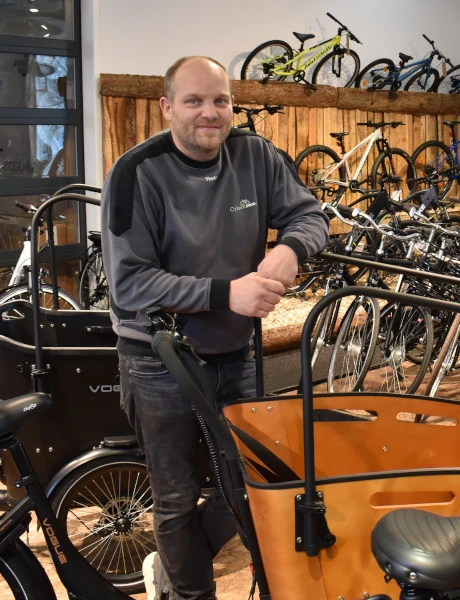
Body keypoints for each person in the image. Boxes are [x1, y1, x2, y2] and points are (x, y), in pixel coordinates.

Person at [100, 55, 329, 600]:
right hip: (158, 362)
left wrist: (290, 249)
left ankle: (198, 573)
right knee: (176, 499)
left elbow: (311, 215)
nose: (210, 112)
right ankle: (190, 593)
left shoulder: (255, 155)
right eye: (194, 101)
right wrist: (226, 293)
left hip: (235, 355)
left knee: (254, 485)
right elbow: (129, 284)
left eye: (221, 100)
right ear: (167, 108)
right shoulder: (136, 172)